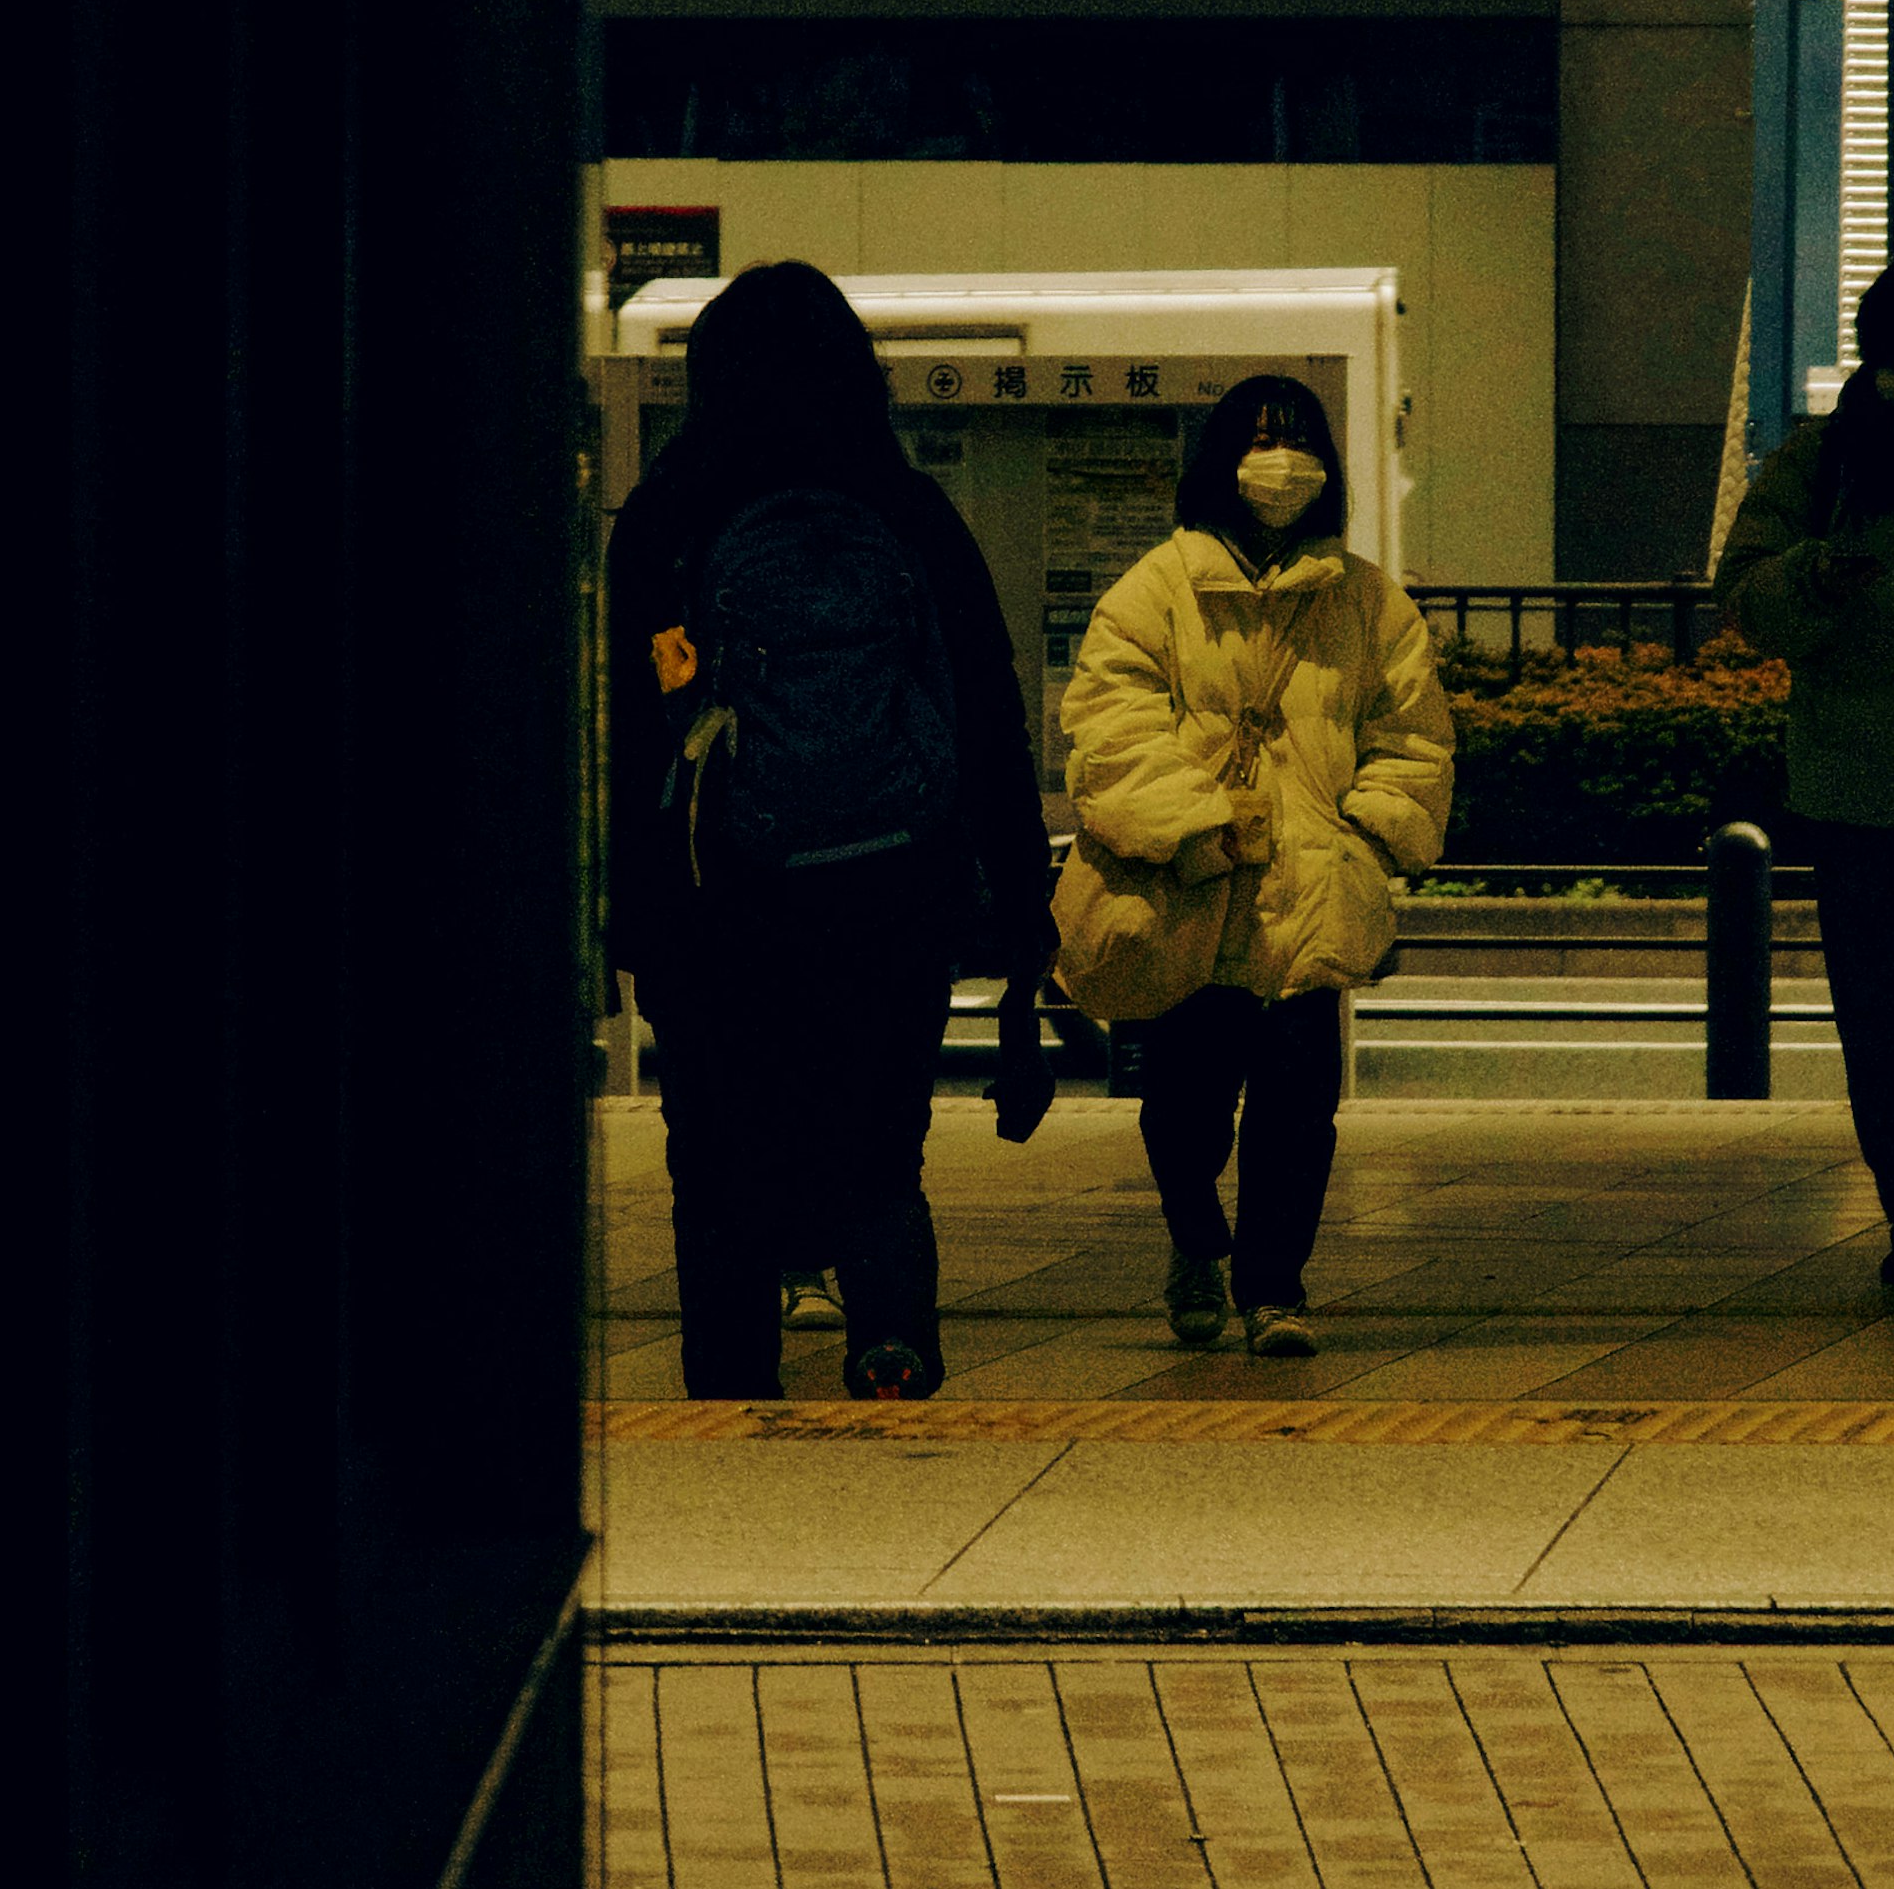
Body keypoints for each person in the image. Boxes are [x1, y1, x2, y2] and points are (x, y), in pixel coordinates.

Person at [604, 258, 1054, 1402]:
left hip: (720, 897)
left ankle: (731, 1381)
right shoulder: (909, 511)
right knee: (878, 1143)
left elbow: (640, 735)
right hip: (894, 889)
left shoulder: (666, 519)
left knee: (717, 1162)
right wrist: (1016, 898)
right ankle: (890, 1342)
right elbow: (988, 709)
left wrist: (637, 910)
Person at [1056, 372, 1452, 1359]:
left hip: (1310, 895)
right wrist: (1196, 827)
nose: (1282, 459)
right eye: (1260, 436)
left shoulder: (1369, 602)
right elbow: (1109, 730)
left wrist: (1362, 839)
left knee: (1297, 1106)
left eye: (1300, 436)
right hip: (1192, 896)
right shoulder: (1154, 591)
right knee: (1182, 1106)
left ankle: (1273, 1285)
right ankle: (1197, 1238)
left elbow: (1413, 737)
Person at [1716, 247, 1894, 1290]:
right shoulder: (1821, 464)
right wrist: (1817, 577)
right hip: (1866, 798)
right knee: (1880, 1028)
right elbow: (1747, 600)